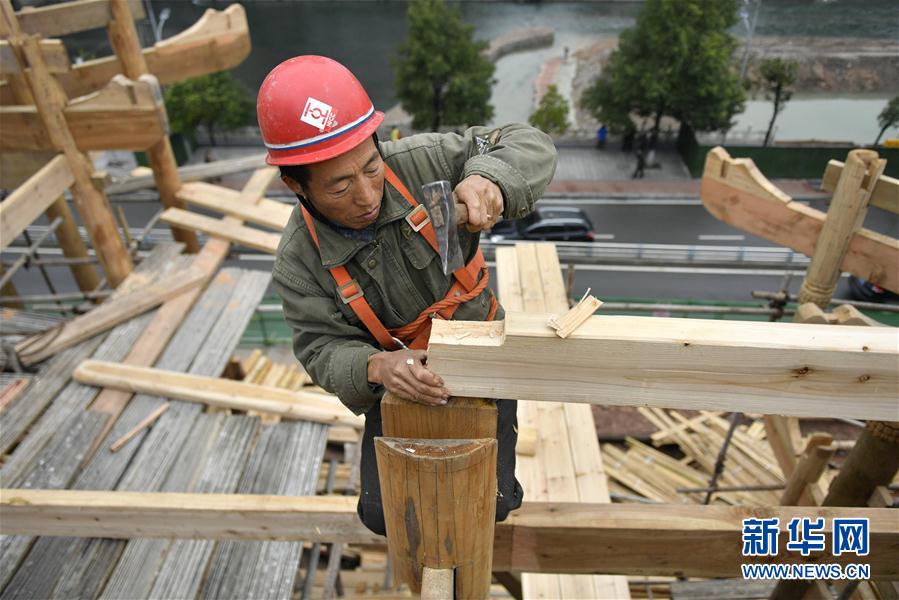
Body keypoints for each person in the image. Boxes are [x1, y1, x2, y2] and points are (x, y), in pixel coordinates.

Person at [258, 56, 558, 536]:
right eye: (340, 186)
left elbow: (526, 142)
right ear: (295, 185)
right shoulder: (299, 263)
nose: (367, 196)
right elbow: (319, 348)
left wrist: (490, 176)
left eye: (371, 169)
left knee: (493, 503)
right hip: (400, 383)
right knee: (386, 514)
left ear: (378, 144)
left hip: (480, 355)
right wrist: (376, 368)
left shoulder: (425, 162)